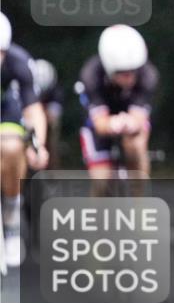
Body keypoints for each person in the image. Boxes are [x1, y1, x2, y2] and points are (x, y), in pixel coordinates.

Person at [78, 25, 158, 186]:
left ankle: (139, 203)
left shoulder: (148, 75)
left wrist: (129, 123)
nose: (130, 78)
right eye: (123, 73)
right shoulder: (91, 74)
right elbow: (100, 124)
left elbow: (139, 119)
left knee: (136, 145)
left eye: (133, 71)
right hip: (99, 121)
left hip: (130, 116)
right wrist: (114, 123)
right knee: (101, 181)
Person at [0, 11, 49, 266]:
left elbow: (33, 110)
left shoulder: (19, 62)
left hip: (7, 109)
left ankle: (11, 215)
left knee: (11, 147)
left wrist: (37, 145)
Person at [30, 59, 63, 170]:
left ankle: (53, 169)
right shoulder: (24, 86)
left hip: (46, 123)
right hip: (28, 119)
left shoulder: (55, 91)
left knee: (53, 131)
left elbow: (53, 115)